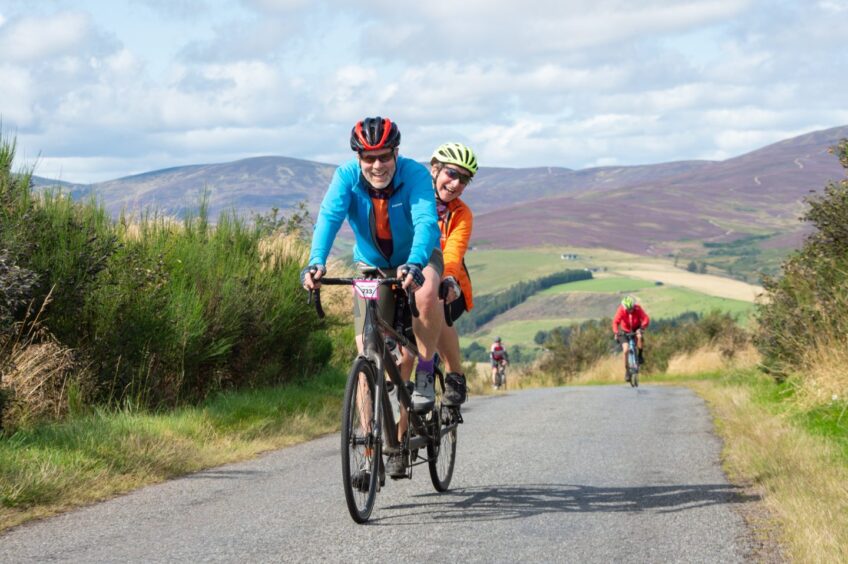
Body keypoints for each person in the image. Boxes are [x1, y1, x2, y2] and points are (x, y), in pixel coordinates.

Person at [301, 116, 443, 478]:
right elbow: (328, 218)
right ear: (358, 158)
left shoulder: (413, 175)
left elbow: (426, 221)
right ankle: (370, 446)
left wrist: (414, 263)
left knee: (426, 294)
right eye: (368, 158)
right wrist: (315, 262)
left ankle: (425, 372)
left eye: (384, 156)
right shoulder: (346, 177)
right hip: (372, 268)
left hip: (417, 257)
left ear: (396, 153)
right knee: (368, 352)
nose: (377, 165)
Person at [430, 142, 478, 408]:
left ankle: (455, 375)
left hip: (450, 282)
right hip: (410, 280)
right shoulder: (413, 199)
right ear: (434, 169)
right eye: (452, 173)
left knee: (437, 304)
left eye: (464, 179)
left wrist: (446, 278)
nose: (457, 183)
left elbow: (453, 253)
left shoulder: (461, 213)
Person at [612, 295, 650, 382]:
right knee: (626, 350)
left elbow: (646, 319)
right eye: (628, 309)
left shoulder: (637, 308)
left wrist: (642, 328)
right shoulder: (621, 310)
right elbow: (615, 322)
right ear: (624, 307)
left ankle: (640, 355)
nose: (630, 310)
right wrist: (616, 332)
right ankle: (627, 371)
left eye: (631, 308)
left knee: (639, 336)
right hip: (624, 331)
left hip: (636, 328)